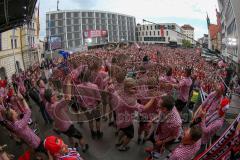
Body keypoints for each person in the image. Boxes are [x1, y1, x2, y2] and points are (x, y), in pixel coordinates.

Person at [44, 79, 88, 152]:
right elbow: (68, 98)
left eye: (54, 94)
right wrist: (68, 83)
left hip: (60, 127)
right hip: (67, 126)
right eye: (53, 95)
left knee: (69, 136)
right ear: (50, 98)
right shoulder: (55, 106)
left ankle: (74, 147)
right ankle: (84, 147)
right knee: (80, 136)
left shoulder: (47, 105)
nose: (55, 95)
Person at [111, 78, 155, 151]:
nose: (135, 90)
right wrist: (153, 98)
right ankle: (122, 147)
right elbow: (143, 108)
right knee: (130, 135)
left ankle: (118, 141)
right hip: (126, 121)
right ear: (127, 88)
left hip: (119, 118)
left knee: (122, 130)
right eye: (133, 88)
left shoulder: (118, 92)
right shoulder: (130, 100)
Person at [76, 69, 103, 139]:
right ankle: (98, 133)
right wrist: (99, 104)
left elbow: (78, 99)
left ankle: (92, 133)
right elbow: (98, 98)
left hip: (85, 107)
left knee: (90, 120)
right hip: (94, 106)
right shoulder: (94, 86)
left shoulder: (78, 87)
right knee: (97, 119)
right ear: (89, 77)